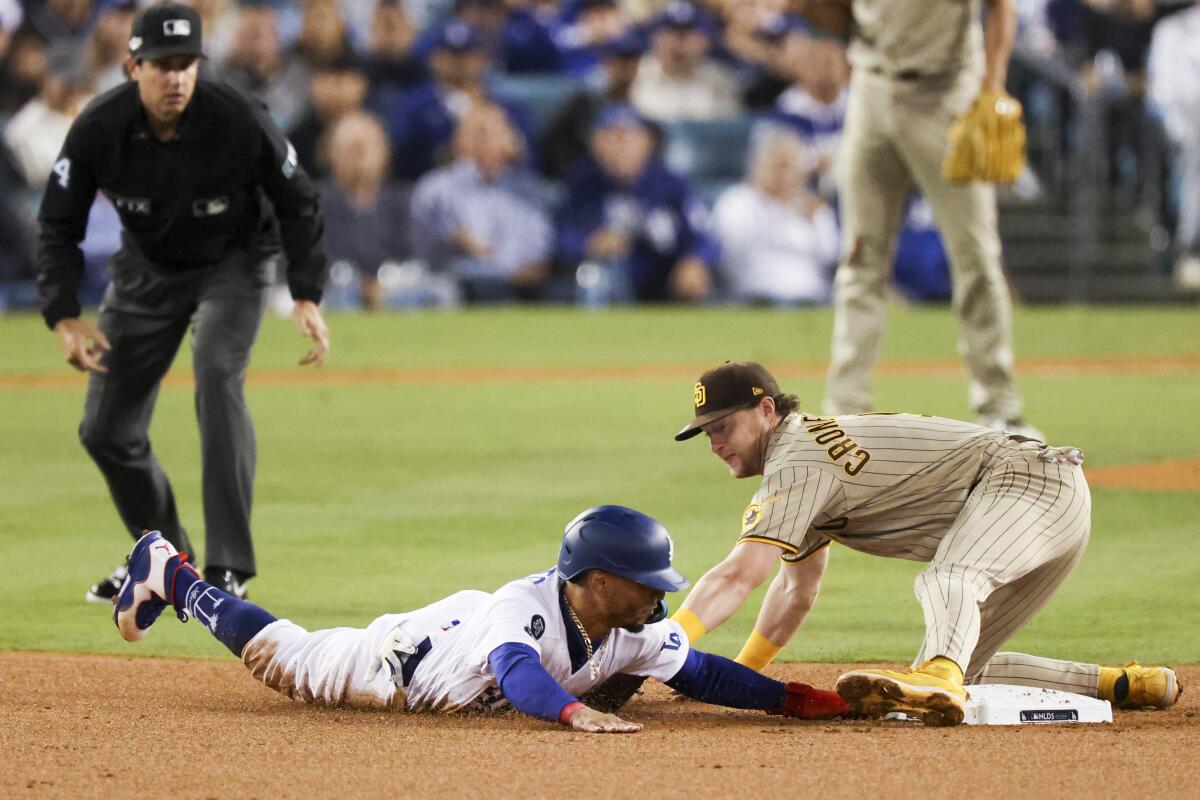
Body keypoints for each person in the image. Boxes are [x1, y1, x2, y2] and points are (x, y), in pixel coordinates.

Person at [667, 360, 1182, 726]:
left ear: (765, 410)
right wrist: (742, 673)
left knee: (949, 580)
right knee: (968, 665)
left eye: (722, 426)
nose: (714, 443)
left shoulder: (795, 462)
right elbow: (794, 591)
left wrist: (667, 642)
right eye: (705, 433)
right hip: (1044, 494)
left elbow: (740, 573)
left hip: (1025, 481)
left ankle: (940, 674)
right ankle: (1124, 683)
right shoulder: (801, 457)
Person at [37, 2, 330, 604]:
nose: (175, 77)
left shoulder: (236, 117)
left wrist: (305, 292)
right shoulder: (98, 127)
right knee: (105, 429)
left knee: (217, 372)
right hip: (148, 269)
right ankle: (167, 560)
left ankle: (229, 567)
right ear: (132, 67)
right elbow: (57, 222)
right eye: (161, 65)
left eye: (185, 64)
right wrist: (62, 313)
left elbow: (298, 197)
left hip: (237, 260)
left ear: (199, 66)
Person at [111, 506, 849, 730]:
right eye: (646, 583)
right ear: (596, 581)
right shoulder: (526, 610)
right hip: (399, 661)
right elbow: (517, 673)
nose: (661, 597)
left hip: (468, 629)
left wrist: (798, 700)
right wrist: (574, 714)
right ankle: (169, 573)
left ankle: (169, 574)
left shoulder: (633, 622)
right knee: (285, 658)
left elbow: (703, 673)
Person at [796, 0, 1039, 436]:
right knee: (859, 257)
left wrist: (993, 85)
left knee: (977, 259)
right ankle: (844, 412)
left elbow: (1002, 7)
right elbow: (836, 14)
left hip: (945, 92)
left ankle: (1000, 408)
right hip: (870, 86)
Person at [556, 103, 715, 303]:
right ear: (595, 144)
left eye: (627, 136)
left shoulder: (671, 184)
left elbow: (704, 235)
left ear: (647, 142)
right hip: (602, 284)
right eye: (610, 136)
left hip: (663, 282)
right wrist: (589, 243)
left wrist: (695, 260)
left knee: (695, 279)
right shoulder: (583, 182)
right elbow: (561, 234)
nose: (619, 146)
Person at [409, 102, 554, 302]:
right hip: (450, 290)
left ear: (510, 139)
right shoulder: (434, 189)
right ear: (457, 140)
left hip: (516, 292)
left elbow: (537, 258)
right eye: (475, 132)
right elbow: (435, 247)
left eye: (491, 132)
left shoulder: (529, 192)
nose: (482, 141)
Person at [710, 125, 839, 305]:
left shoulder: (813, 206)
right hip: (756, 300)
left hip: (814, 299)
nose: (787, 175)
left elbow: (832, 260)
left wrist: (816, 223)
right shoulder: (736, 202)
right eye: (779, 166)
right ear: (757, 165)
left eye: (793, 166)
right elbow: (729, 262)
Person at [319, 111, 411, 310]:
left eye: (367, 147)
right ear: (331, 153)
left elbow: (413, 256)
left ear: (384, 153)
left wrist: (383, 283)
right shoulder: (313, 203)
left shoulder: (402, 201)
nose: (360, 156)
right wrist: (362, 287)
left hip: (395, 288)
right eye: (352, 149)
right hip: (335, 290)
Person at [629, 1, 742, 122]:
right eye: (670, 32)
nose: (678, 42)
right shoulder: (633, 71)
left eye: (688, 35)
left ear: (706, 41)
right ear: (655, 38)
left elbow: (730, 130)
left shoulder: (721, 80)